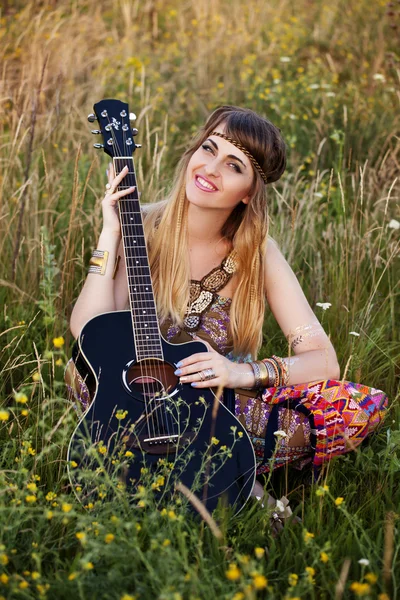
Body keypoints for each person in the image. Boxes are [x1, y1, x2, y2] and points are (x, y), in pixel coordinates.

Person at [67, 105, 388, 511]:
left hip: (218, 413)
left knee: (355, 407)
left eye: (233, 165)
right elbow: (89, 329)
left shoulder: (257, 254)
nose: (211, 168)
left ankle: (217, 471)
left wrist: (241, 372)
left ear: (249, 192)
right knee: (82, 375)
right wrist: (109, 233)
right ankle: (240, 484)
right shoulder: (138, 227)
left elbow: (323, 359)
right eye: (208, 148)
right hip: (134, 404)